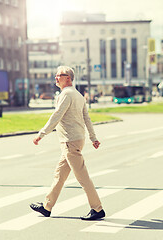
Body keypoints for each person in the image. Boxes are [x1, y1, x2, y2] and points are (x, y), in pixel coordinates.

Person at [30, 66, 105, 221]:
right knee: (59, 175)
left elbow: (57, 115)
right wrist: (93, 137)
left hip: (70, 142)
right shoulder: (78, 95)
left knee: (83, 177)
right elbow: (87, 118)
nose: (56, 78)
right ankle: (47, 206)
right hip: (75, 140)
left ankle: (97, 208)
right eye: (56, 75)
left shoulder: (66, 94)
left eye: (59, 75)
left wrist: (41, 134)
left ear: (69, 78)